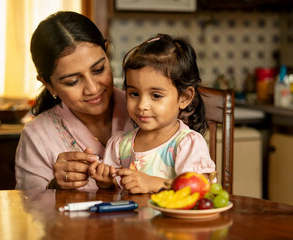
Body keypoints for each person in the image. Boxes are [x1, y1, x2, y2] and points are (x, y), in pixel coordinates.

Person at [15, 11, 133, 190]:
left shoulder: (147, 110)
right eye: (73, 82)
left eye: (99, 69)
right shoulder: (37, 136)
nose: (93, 89)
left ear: (107, 53)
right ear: (48, 84)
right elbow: (29, 212)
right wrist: (55, 187)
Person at [89, 33, 216, 194]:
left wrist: (155, 184)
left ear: (184, 98)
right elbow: (117, 196)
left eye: (156, 95)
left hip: (171, 220)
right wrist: (108, 184)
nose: (142, 105)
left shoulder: (186, 144)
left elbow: (201, 189)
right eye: (134, 94)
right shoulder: (120, 145)